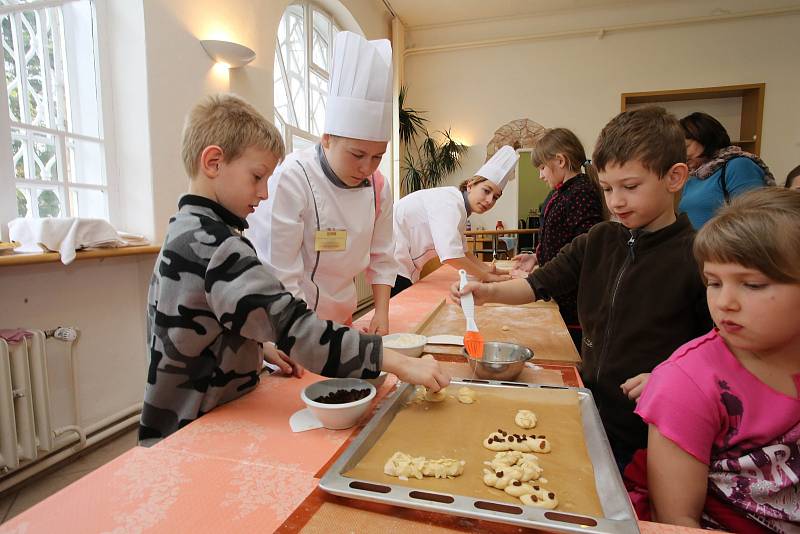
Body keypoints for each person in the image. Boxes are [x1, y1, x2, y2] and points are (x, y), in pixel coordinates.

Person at [139, 94, 450, 444]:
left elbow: (206, 324)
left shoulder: (185, 228)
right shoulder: (216, 245)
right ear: (213, 162)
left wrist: (257, 346)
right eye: (257, 177)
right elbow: (296, 328)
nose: (264, 193)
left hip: (179, 415)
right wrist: (397, 362)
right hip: (195, 427)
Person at [451, 107, 712, 471]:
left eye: (630, 187)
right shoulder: (600, 240)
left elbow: (718, 351)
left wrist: (669, 378)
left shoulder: (700, 258)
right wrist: (486, 292)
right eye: (607, 188)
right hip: (590, 405)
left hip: (654, 432)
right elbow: (538, 284)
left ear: (675, 177)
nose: (616, 201)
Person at [628, 188, 800, 532]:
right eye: (713, 283)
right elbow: (676, 522)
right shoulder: (687, 384)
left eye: (751, 284)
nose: (725, 303)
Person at [247, 31, 396, 335]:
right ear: (326, 138)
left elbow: (382, 255)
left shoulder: (379, 187)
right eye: (357, 154)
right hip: (286, 327)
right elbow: (280, 274)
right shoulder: (292, 178)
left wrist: (381, 312)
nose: (367, 167)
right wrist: (304, 338)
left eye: (378, 156)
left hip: (341, 321)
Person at [510, 128, 605, 349]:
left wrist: (538, 277)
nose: (541, 175)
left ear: (560, 160)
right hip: (558, 289)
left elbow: (582, 253)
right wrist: (537, 257)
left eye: (542, 167)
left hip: (572, 301)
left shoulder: (581, 192)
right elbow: (561, 240)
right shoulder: (564, 191)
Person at [390, 145, 518, 296]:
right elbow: (451, 255)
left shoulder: (459, 208)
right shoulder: (449, 203)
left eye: (495, 197)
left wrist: (491, 270)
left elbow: (464, 252)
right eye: (486, 190)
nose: (489, 200)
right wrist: (486, 276)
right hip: (392, 261)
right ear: (470, 185)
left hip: (400, 262)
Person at [679, 112, 775, 228]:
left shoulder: (738, 165)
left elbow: (754, 220)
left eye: (686, 147)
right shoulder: (694, 177)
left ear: (705, 138)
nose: (682, 154)